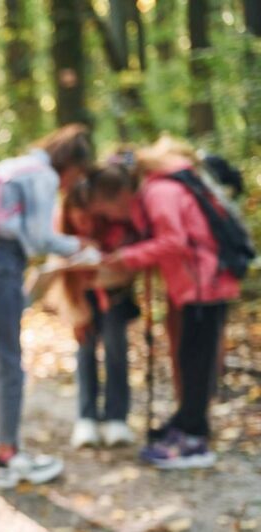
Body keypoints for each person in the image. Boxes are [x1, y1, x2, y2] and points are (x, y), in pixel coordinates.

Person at [88, 137, 240, 469]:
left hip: (206, 284)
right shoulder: (152, 193)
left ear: (120, 194)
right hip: (194, 286)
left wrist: (126, 258)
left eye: (108, 210)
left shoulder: (159, 193)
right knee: (189, 358)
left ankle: (195, 441)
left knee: (196, 362)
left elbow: (174, 241)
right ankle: (185, 427)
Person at [0, 124, 95, 489]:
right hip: (0, 263)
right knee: (8, 363)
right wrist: (79, 247)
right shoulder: (43, 176)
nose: (71, 185)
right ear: (70, 165)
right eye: (76, 176)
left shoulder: (15, 165)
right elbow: (39, 238)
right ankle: (8, 457)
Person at [56, 181, 139, 449]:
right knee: (84, 350)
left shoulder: (115, 229)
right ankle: (86, 417)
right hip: (81, 297)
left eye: (87, 219)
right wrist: (76, 316)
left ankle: (117, 418)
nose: (83, 224)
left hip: (114, 295)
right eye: (77, 219)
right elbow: (61, 280)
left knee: (116, 349)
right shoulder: (62, 234)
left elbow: (128, 265)